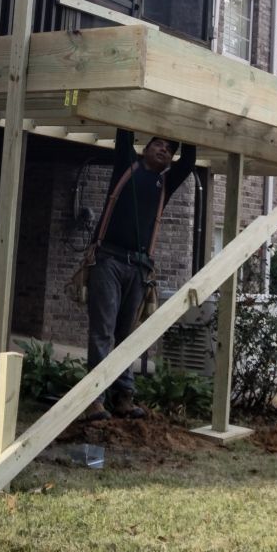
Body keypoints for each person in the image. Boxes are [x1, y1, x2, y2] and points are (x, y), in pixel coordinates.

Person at [83, 130, 196, 421]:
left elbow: (188, 161)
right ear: (144, 149)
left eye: (169, 149)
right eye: (158, 144)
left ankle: (123, 396)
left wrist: (188, 126)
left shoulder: (165, 183)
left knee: (126, 335)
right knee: (103, 330)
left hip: (139, 267)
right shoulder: (127, 167)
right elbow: (124, 133)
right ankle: (94, 399)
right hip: (108, 260)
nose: (164, 150)